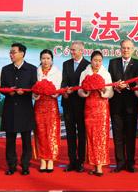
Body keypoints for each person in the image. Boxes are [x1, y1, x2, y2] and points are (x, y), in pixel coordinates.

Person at [0, 42, 37, 176]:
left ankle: (25, 165)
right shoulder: (5, 69)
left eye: (13, 52)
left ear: (22, 53)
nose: (11, 54)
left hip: (25, 108)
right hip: (10, 107)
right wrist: (8, 92)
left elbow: (34, 87)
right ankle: (11, 165)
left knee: (27, 139)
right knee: (10, 140)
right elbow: (2, 87)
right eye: (10, 52)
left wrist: (26, 92)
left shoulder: (32, 69)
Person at [108, 39, 138, 173]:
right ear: (120, 48)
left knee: (130, 135)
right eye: (123, 48)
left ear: (132, 49)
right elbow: (109, 80)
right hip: (116, 103)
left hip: (131, 105)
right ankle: (120, 162)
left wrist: (127, 85)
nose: (126, 50)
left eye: (128, 48)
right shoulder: (113, 62)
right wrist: (116, 86)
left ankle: (130, 163)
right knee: (118, 135)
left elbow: (137, 81)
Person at [78, 50, 113, 177]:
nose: (97, 63)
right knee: (91, 135)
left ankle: (99, 166)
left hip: (102, 107)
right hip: (89, 107)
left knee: (101, 136)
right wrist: (86, 91)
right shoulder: (84, 73)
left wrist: (104, 90)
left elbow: (111, 92)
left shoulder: (106, 74)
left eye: (99, 61)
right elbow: (80, 91)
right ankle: (93, 163)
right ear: (91, 60)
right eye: (95, 60)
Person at [60, 41, 89, 172]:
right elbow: (63, 82)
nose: (72, 52)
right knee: (70, 134)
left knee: (82, 134)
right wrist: (64, 92)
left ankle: (81, 161)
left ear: (81, 51)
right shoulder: (66, 64)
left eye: (74, 50)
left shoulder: (88, 65)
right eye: (71, 50)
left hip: (82, 104)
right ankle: (72, 161)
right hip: (68, 103)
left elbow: (88, 85)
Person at [34, 49, 62, 173]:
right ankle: (42, 159)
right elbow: (32, 88)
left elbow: (58, 89)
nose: (45, 61)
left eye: (48, 58)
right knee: (40, 132)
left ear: (52, 60)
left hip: (51, 104)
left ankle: (50, 159)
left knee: (51, 132)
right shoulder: (36, 72)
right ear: (40, 59)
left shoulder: (57, 72)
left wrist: (52, 92)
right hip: (39, 104)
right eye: (43, 58)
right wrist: (36, 94)